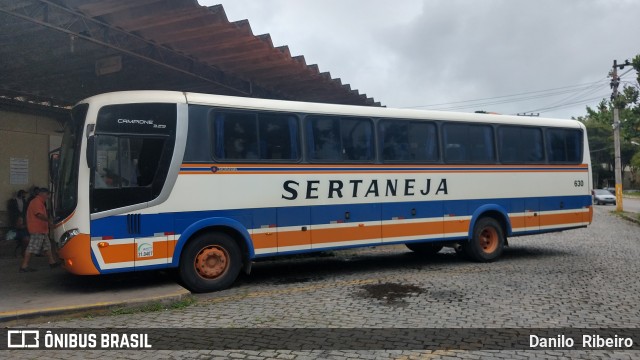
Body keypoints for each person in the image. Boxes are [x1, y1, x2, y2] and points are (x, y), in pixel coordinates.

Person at [19, 188, 59, 272]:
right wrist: (49, 221)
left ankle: (52, 263)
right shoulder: (36, 202)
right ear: (43, 194)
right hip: (37, 229)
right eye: (48, 195)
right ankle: (24, 266)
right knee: (32, 248)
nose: (48, 197)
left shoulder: (39, 202)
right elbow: (39, 214)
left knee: (47, 247)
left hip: (42, 230)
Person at [7, 190, 29, 256]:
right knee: (24, 237)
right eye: (23, 194)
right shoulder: (14, 201)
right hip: (16, 218)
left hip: (22, 217)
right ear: (21, 194)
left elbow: (25, 209)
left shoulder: (24, 201)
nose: (24, 195)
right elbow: (12, 210)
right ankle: (23, 251)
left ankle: (24, 251)